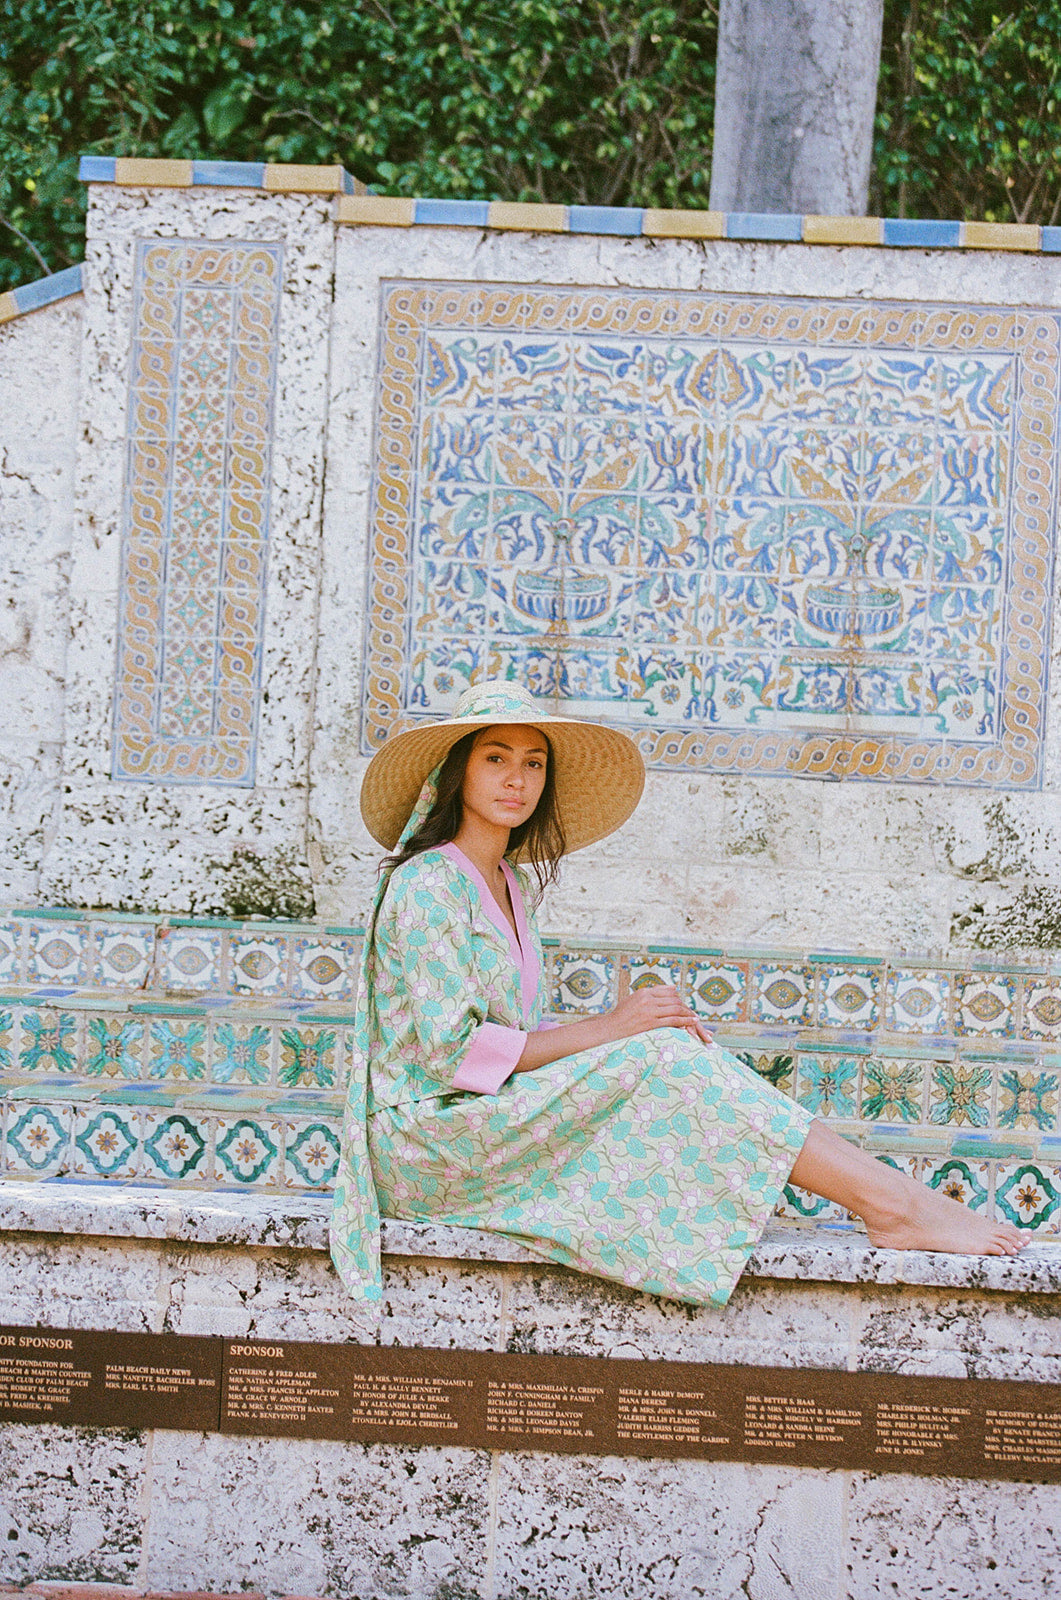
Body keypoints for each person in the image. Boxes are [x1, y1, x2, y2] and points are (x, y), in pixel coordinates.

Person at [330, 679, 1025, 1306]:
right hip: (427, 1147)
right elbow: (456, 1056)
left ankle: (892, 1200)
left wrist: (627, 1032)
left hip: (480, 1127)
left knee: (667, 1050)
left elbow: (506, 1047)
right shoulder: (427, 885)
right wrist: (611, 1028)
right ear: (457, 772)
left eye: (533, 763)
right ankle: (892, 1204)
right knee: (660, 1056)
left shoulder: (509, 885)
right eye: (496, 758)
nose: (517, 779)